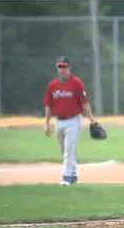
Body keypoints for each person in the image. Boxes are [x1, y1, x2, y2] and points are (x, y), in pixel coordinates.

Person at [43, 56, 97, 186]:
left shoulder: (77, 83)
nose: (62, 69)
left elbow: (85, 104)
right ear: (57, 68)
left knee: (69, 150)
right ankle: (73, 173)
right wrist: (46, 123)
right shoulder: (52, 86)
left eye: (64, 67)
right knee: (64, 150)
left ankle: (67, 177)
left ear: (69, 68)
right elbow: (48, 105)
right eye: (60, 67)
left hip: (73, 120)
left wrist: (92, 120)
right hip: (59, 121)